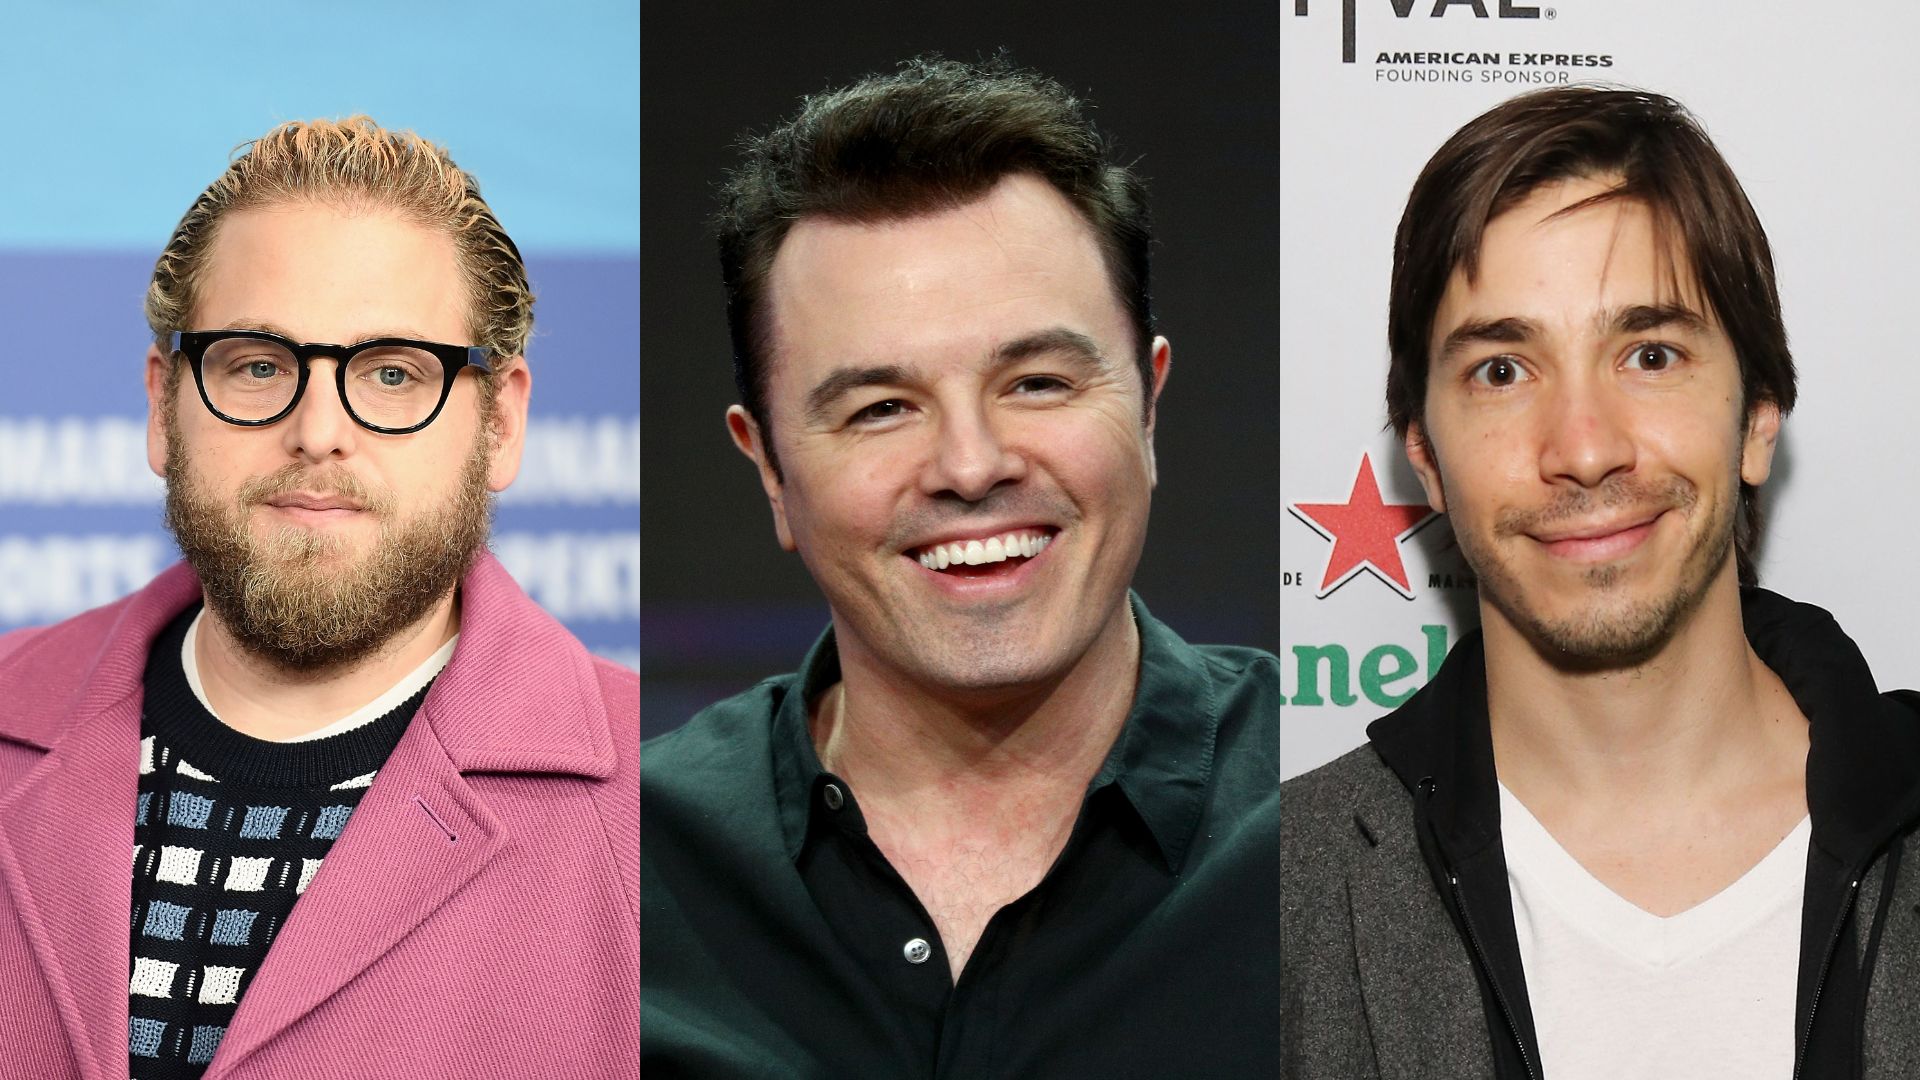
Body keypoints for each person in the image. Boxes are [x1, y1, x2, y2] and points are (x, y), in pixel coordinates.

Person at [642, 56, 1279, 1077]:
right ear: (767, 468)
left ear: (1150, 408)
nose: (972, 466)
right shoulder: (605, 879)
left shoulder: (1362, 825)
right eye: (881, 408)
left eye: (1036, 381)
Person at [1281, 86, 1920, 1077]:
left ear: (1756, 416)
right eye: (1503, 369)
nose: (1583, 448)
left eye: (1650, 354)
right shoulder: (1278, 894)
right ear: (1427, 459)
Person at [0, 118, 638, 1079]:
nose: (319, 430)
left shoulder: (656, 814)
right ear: (162, 406)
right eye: (258, 365)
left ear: (500, 423)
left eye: (393, 373)